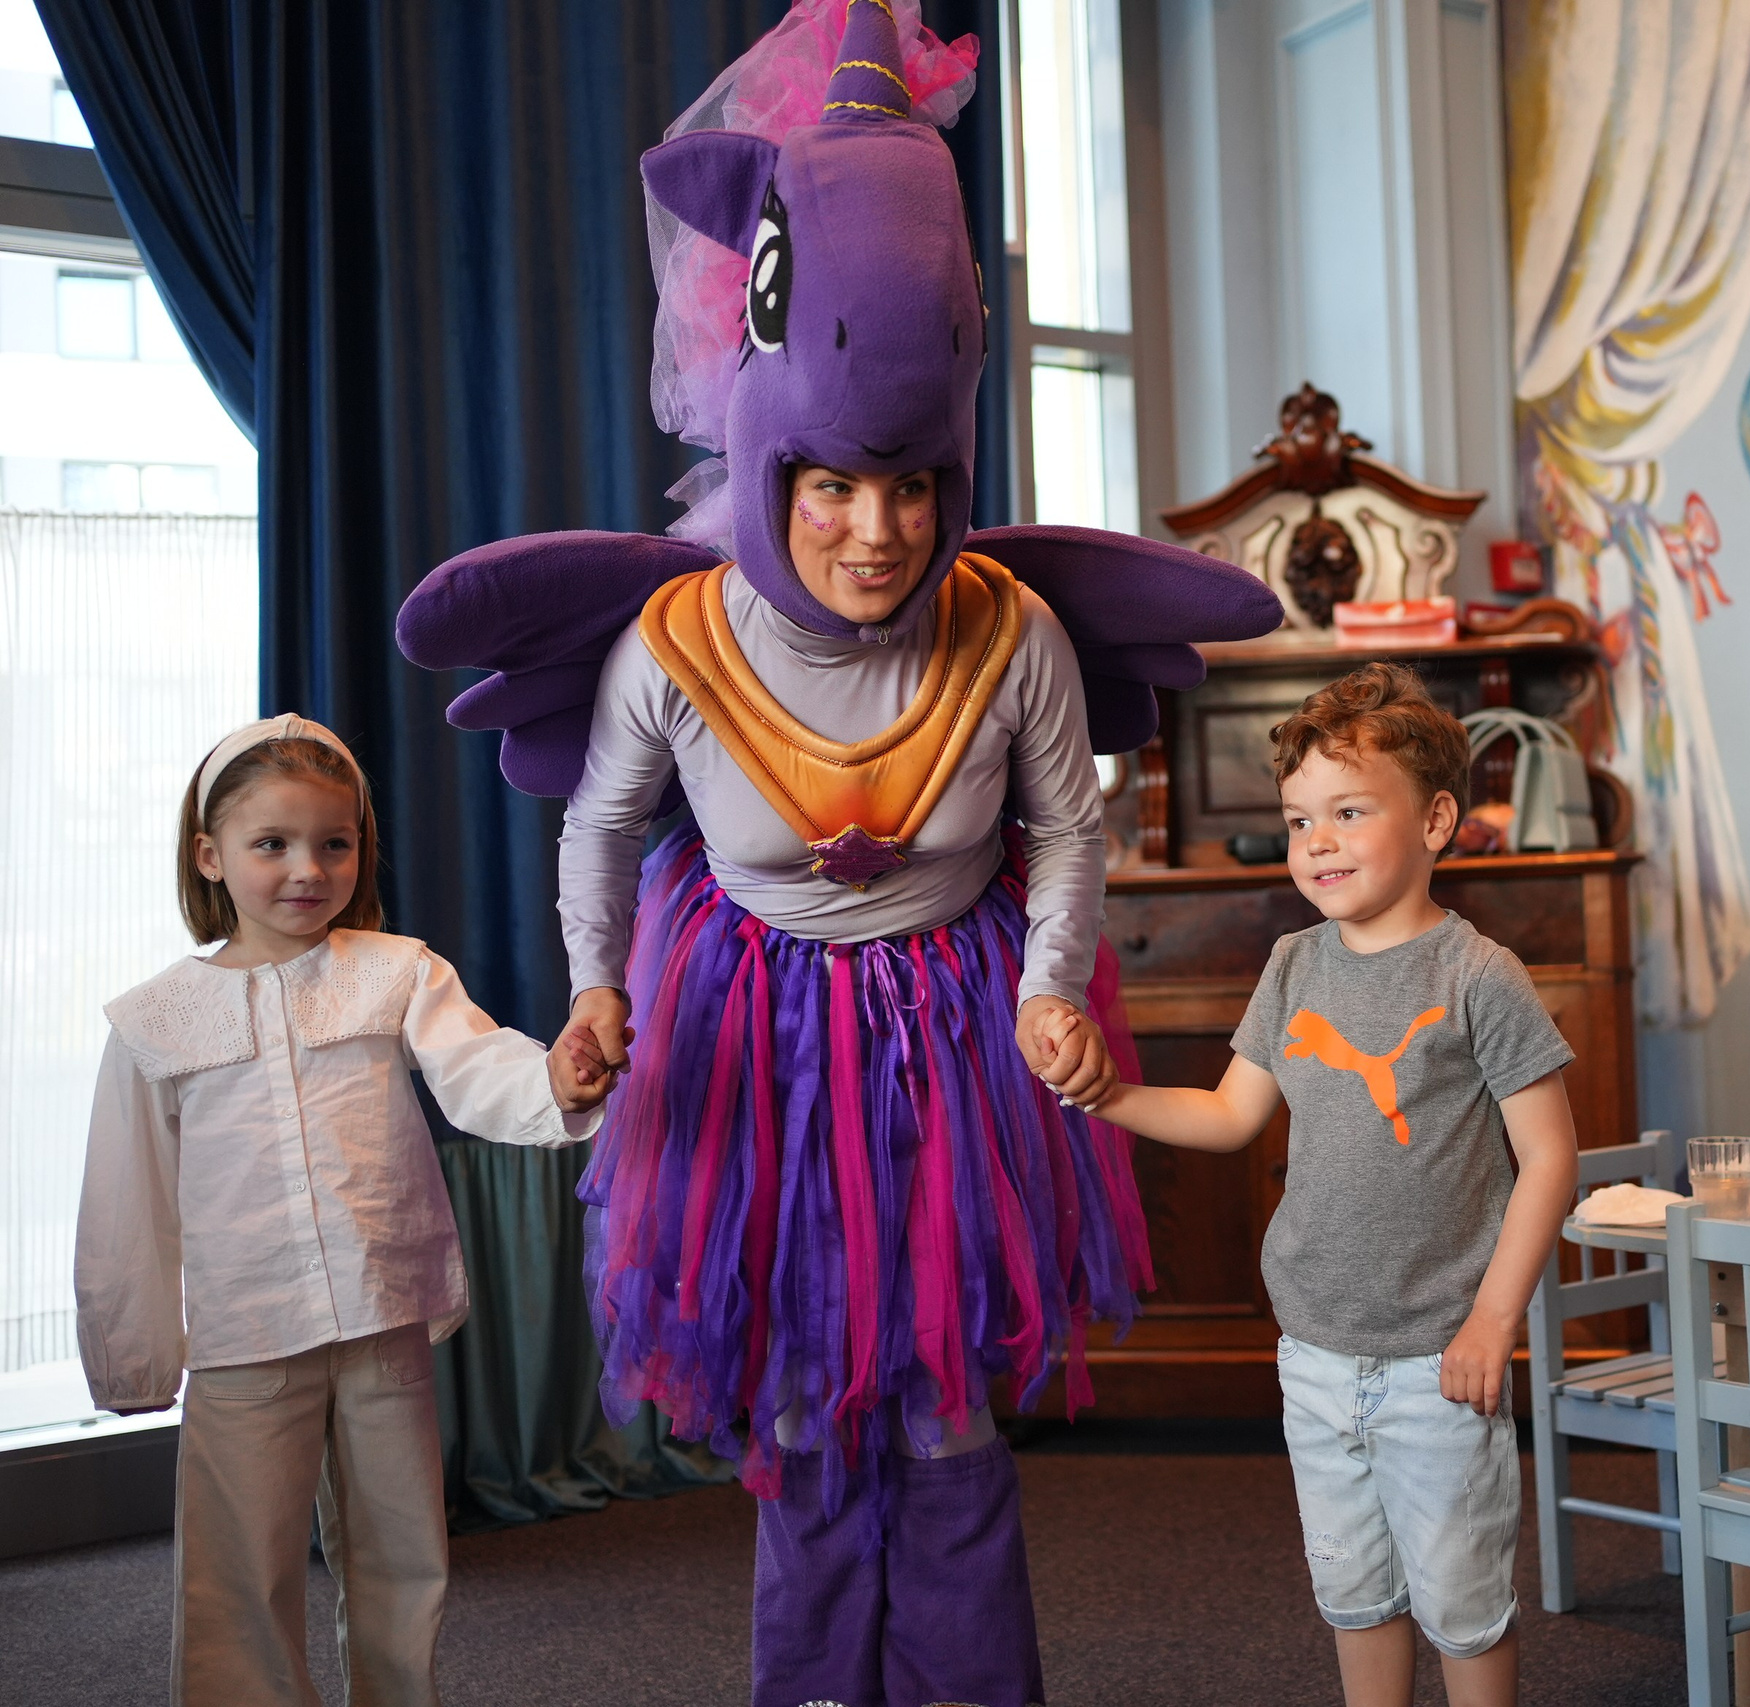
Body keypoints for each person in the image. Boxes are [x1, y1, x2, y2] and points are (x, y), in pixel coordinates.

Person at [389, 4, 1276, 1700]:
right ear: (776, 463)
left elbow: (1066, 826)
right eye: (832, 492)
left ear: (951, 476)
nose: (875, 532)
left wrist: (1047, 984)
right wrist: (590, 990)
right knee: (804, 1407)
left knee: (944, 1405)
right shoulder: (675, 640)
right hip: (747, 1042)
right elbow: (604, 823)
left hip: (953, 1035)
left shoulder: (1009, 627)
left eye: (911, 491)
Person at [75, 715, 614, 1706]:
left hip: (382, 1316)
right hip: (246, 1335)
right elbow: (127, 1204)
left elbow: (478, 1066)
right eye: (270, 844)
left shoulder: (395, 971)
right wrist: (133, 1354)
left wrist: (559, 1082)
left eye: (334, 842)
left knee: (402, 1556)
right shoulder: (152, 1021)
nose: (306, 870)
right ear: (210, 854)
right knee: (239, 1573)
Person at [1084, 663, 1580, 1707]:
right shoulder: (1293, 966)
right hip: (1312, 1350)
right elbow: (1227, 1116)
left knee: (1461, 1603)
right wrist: (1111, 1094)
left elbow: (1549, 1158)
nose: (1317, 842)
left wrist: (1494, 1321)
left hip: (1439, 1357)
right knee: (1354, 1593)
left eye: (1348, 813)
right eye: (1300, 819)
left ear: (1436, 819)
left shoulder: (1476, 974)